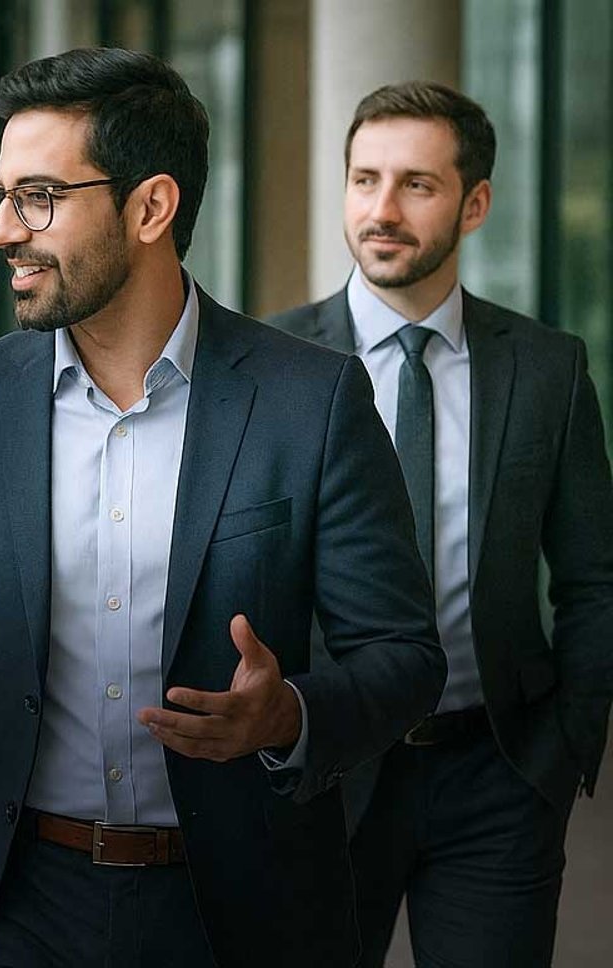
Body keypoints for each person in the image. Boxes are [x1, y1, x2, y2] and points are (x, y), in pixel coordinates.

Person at [0, 48, 446, 968]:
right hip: (11, 907)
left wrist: (288, 717)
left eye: (39, 197)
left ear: (150, 207)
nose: (2, 233)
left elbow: (405, 658)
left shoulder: (312, 400)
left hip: (239, 911)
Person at [266, 80, 613, 968]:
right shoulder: (271, 367)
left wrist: (565, 743)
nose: (381, 209)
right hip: (323, 771)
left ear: (475, 203)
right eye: (364, 179)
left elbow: (592, 577)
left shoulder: (546, 369)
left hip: (495, 770)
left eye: (417, 184)